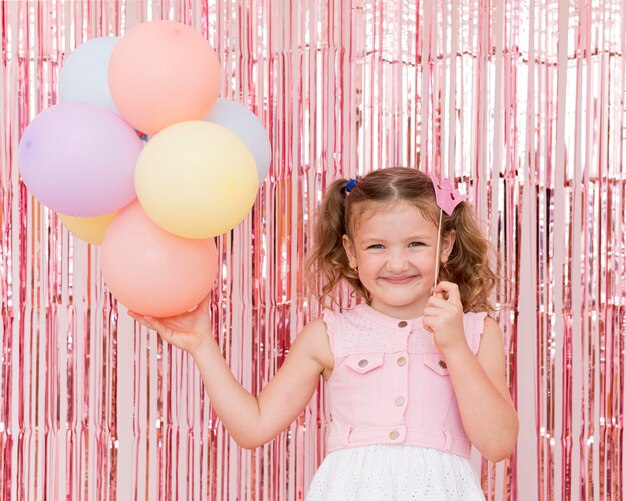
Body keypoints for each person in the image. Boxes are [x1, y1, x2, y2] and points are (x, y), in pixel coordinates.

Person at [129, 167, 518, 500]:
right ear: (351, 252)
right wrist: (202, 345)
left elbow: (498, 444)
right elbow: (253, 427)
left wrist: (453, 345)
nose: (397, 262)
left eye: (416, 244)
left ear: (445, 246)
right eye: (376, 246)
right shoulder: (329, 335)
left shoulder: (476, 331)